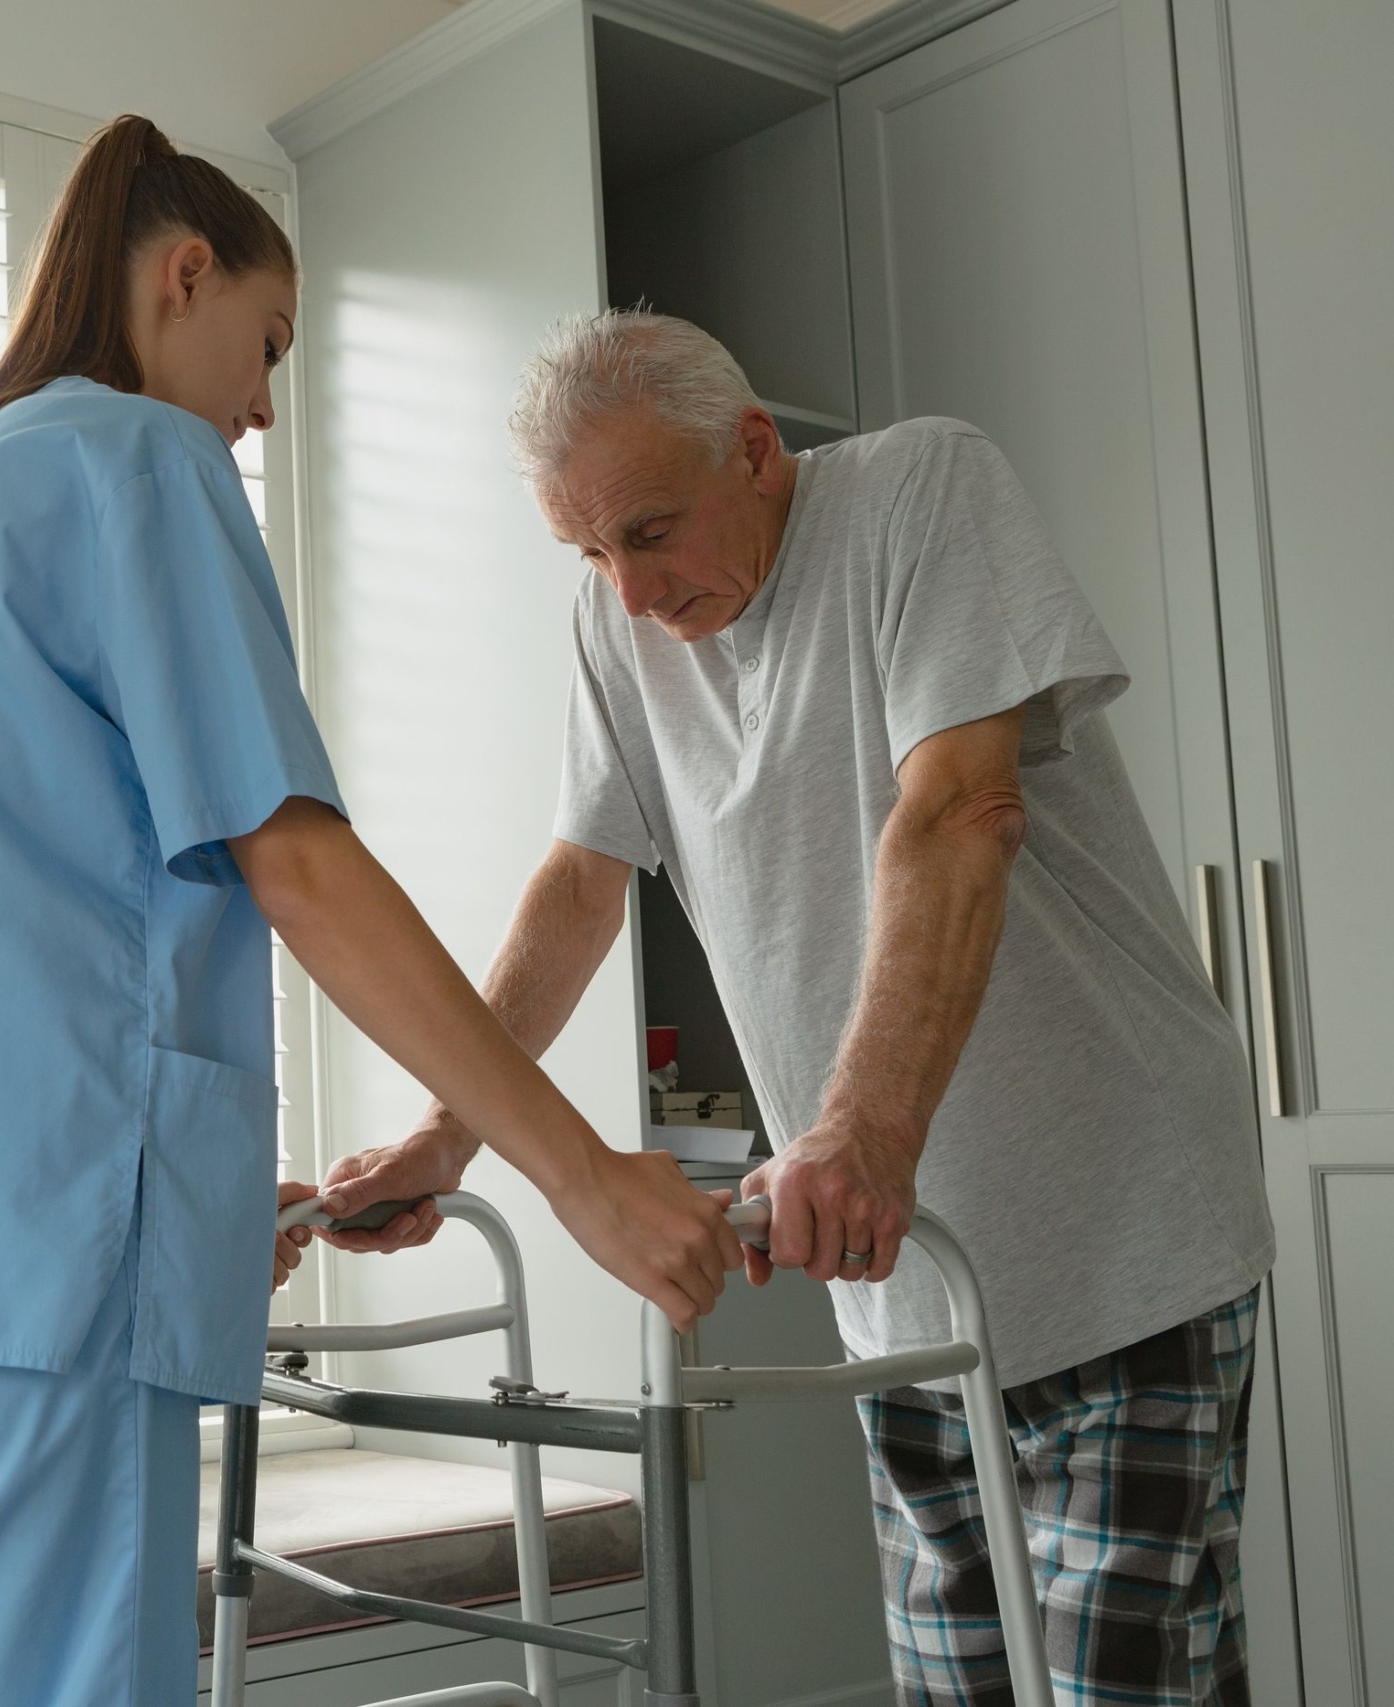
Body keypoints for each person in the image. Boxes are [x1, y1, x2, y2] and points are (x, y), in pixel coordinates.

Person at [0, 129, 743, 1706]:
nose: (264, 405)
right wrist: (583, 1176)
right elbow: (299, 864)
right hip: (30, 1275)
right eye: (266, 345)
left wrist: (193, 1208)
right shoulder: (130, 456)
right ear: (183, 272)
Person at [319, 309, 1277, 1706]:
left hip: (1118, 1241)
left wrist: (863, 1134)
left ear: (754, 449)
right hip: (908, 1291)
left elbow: (957, 810)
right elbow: (582, 889)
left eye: (649, 532)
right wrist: (443, 1139)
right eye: (588, 552)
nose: (628, 592)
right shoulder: (616, 621)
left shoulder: (919, 492)